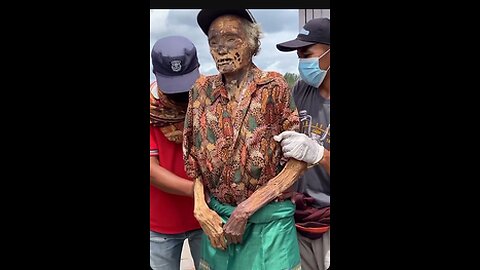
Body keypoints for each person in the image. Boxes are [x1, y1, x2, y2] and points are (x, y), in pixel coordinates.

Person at [183, 9, 302, 270]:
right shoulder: (200, 92)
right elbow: (193, 161)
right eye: (214, 42)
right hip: (219, 223)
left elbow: (297, 161)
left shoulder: (274, 87)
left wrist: (246, 209)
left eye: (231, 40)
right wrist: (200, 208)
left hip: (268, 226)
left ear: (252, 43)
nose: (221, 49)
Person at [274, 17, 331, 270]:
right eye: (298, 56)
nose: (302, 63)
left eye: (307, 54)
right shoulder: (301, 90)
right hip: (302, 215)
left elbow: (315, 153)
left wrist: (320, 154)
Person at [149, 35, 203, 270]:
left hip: (206, 219)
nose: (181, 96)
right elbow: (152, 171)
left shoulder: (209, 102)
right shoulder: (151, 111)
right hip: (161, 223)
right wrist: (199, 192)